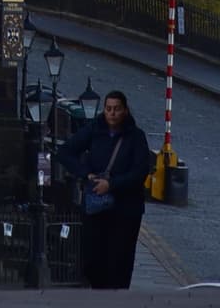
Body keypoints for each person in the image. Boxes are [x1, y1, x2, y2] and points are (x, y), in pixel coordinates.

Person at [57, 87, 153, 290]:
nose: (112, 113)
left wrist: (111, 184)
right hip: (96, 206)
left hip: (126, 209)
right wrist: (86, 174)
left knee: (120, 259)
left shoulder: (136, 137)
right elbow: (65, 152)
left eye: (116, 109)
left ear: (125, 110)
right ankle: (99, 291)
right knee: (92, 257)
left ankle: (116, 298)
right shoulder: (94, 129)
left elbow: (140, 171)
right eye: (108, 108)